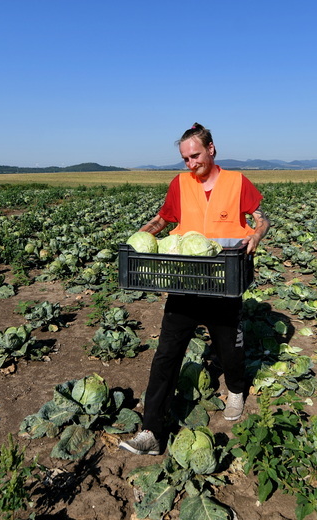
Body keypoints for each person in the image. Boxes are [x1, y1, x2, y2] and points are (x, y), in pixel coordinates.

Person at [118, 123, 270, 456]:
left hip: (223, 282)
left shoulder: (236, 182)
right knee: (166, 356)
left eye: (195, 156)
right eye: (185, 159)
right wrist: (139, 238)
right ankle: (151, 430)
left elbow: (262, 219)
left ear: (212, 149)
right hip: (185, 282)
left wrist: (256, 235)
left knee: (229, 348)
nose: (190, 164)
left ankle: (235, 389)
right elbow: (162, 220)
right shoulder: (180, 184)